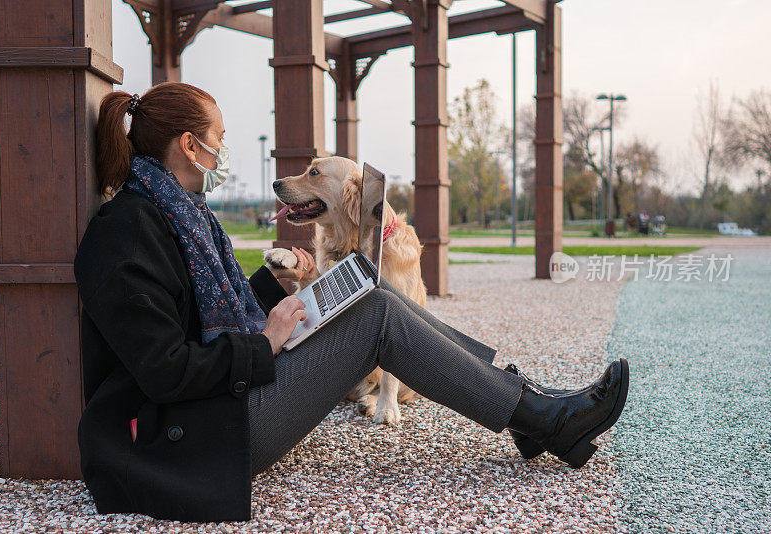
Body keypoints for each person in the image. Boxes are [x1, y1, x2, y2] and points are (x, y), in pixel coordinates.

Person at [74, 82, 629, 523]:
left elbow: (213, 313)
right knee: (378, 314)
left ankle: (529, 403)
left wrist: (283, 289)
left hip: (224, 402)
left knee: (371, 287)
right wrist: (264, 341)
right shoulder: (125, 233)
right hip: (200, 434)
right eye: (220, 136)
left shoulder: (179, 213)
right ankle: (541, 420)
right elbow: (164, 371)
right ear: (191, 147)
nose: (225, 150)